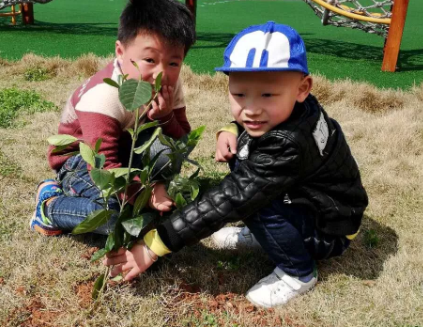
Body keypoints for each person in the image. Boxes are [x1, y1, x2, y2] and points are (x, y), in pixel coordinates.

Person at [104, 21, 369, 308]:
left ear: (302, 88)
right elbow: (255, 130)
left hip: (328, 232)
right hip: (330, 210)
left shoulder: (287, 144)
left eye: (268, 95)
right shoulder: (300, 109)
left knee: (250, 197)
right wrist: (231, 130)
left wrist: (155, 245)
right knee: (243, 163)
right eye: (240, 94)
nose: (251, 109)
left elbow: (228, 200)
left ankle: (298, 272)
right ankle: (267, 235)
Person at [29, 0, 196, 236]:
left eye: (173, 63)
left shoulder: (169, 83)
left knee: (171, 152)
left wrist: (166, 117)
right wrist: (145, 193)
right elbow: (104, 166)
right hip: (82, 161)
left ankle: (142, 192)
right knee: (115, 218)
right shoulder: (103, 97)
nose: (161, 73)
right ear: (120, 51)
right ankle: (51, 207)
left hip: (126, 149)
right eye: (149, 60)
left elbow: (183, 141)